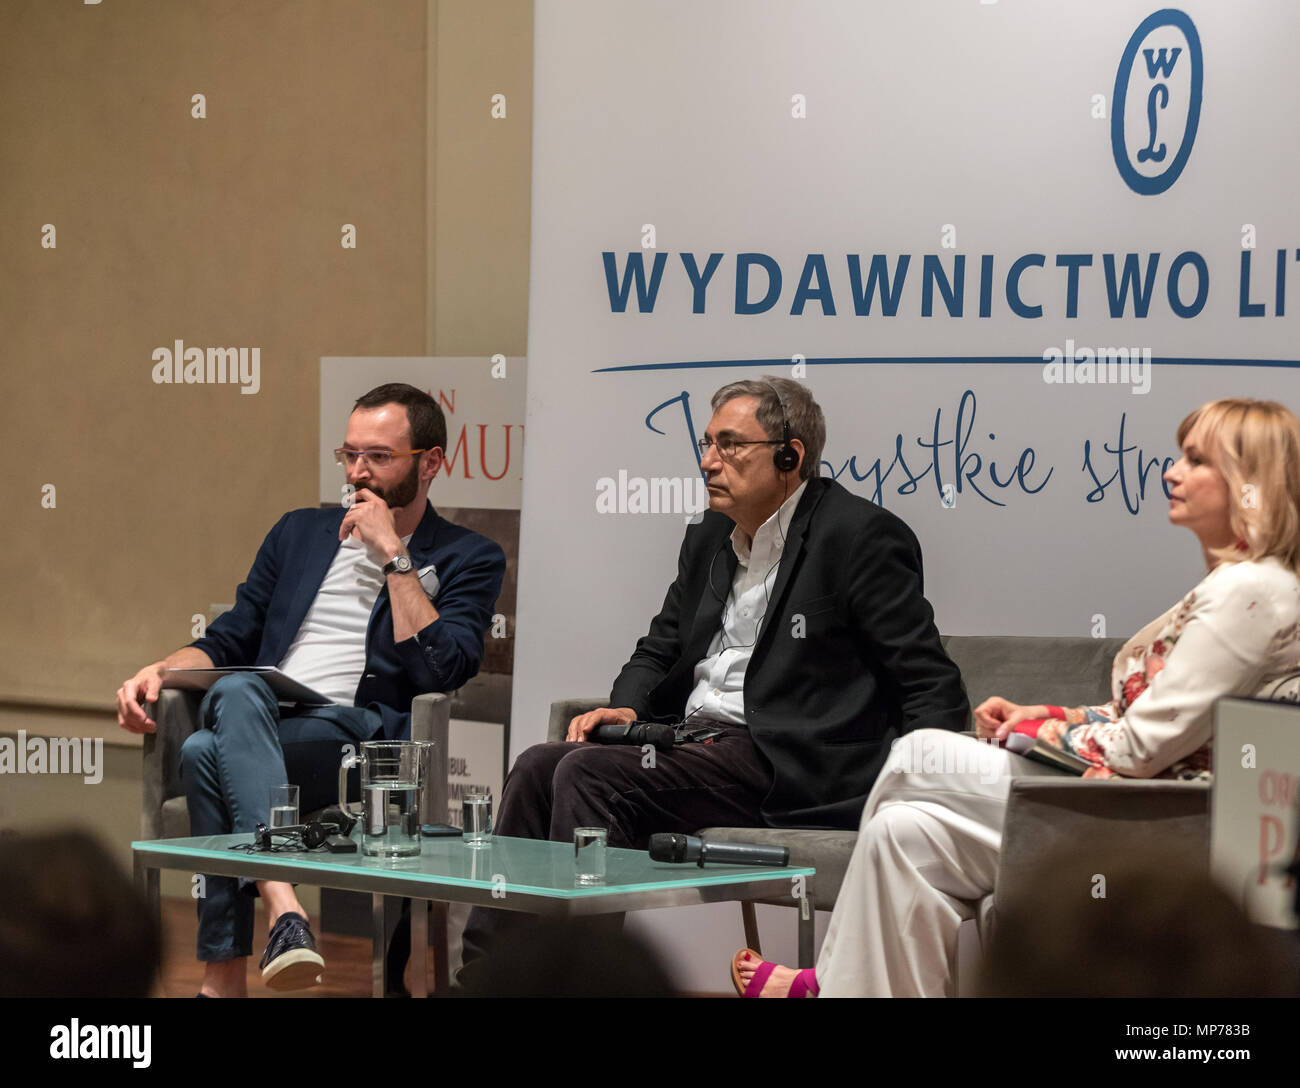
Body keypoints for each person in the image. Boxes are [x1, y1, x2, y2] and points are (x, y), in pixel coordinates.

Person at [734, 397, 1300, 997]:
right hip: (1127, 804)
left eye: (1196, 460)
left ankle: (833, 981)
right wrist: (1048, 714)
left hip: (1164, 827)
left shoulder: (1252, 592)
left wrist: (1034, 735)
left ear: (1248, 485)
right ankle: (852, 981)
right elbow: (1147, 719)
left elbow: (1143, 748)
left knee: (920, 754)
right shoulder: (1236, 587)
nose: (1172, 472)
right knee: (903, 833)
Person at [460, 377, 970, 974]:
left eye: (730, 446)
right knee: (536, 767)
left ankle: (579, 982)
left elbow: (928, 680)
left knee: (590, 776)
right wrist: (627, 708)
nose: (708, 462)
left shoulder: (858, 537)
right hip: (695, 746)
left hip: (789, 762)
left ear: (790, 456)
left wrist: (919, 795)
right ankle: (485, 978)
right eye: (706, 445)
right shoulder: (709, 539)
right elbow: (660, 646)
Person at [116, 382, 505, 997]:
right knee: (220, 721)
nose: (358, 472)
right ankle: (286, 912)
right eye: (349, 455)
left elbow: (442, 670)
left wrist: (393, 555)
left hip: (357, 739)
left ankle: (225, 978)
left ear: (430, 463)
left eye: (379, 457)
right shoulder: (298, 532)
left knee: (206, 751)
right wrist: (158, 669)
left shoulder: (467, 555)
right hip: (266, 716)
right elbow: (230, 637)